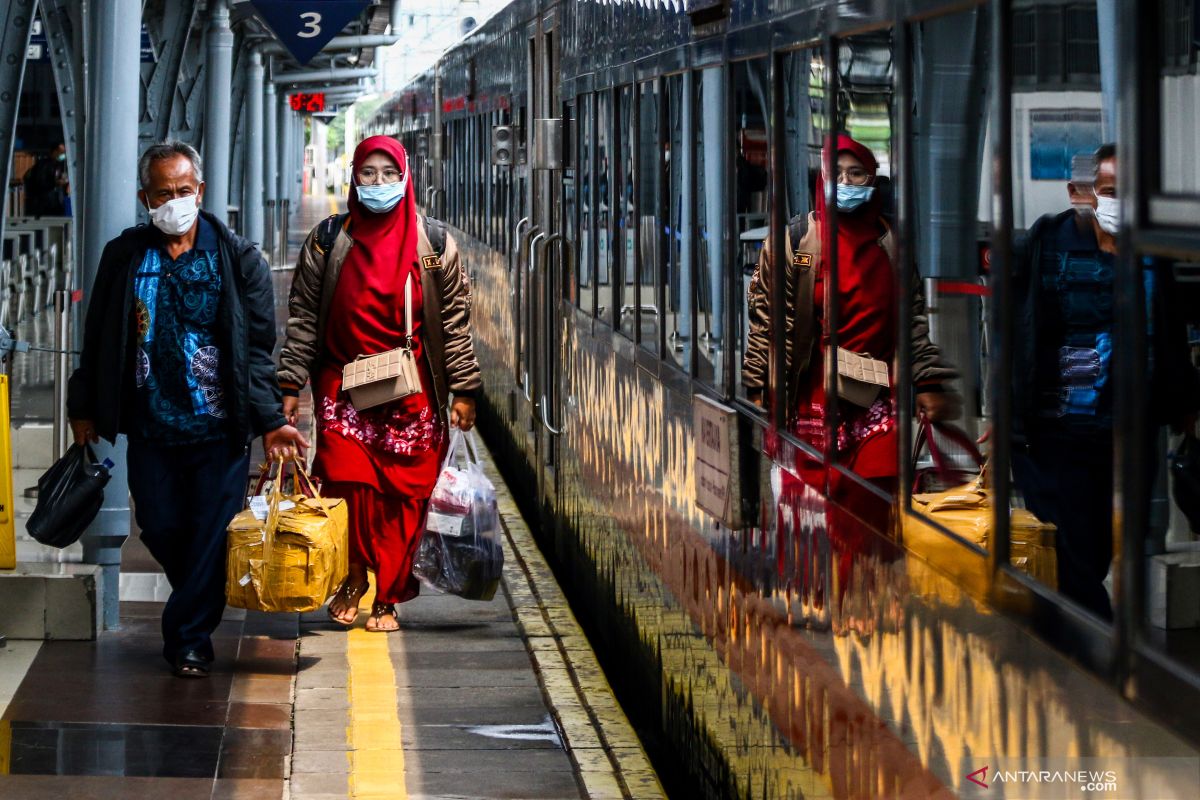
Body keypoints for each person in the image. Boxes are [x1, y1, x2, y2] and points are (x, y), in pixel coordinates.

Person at [67, 140, 307, 678]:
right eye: (161, 194)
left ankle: (189, 639)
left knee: (211, 532)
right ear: (144, 197)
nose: (172, 201)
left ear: (199, 191)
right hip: (151, 423)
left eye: (182, 191)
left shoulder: (237, 257)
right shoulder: (126, 256)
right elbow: (99, 338)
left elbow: (255, 352)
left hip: (219, 429)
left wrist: (270, 421)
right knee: (160, 527)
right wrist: (83, 406)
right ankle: (202, 595)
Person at [743, 135, 959, 612]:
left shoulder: (891, 243)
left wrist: (927, 381)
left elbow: (911, 319)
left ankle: (859, 600)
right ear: (821, 178)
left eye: (856, 174)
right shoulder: (797, 240)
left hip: (875, 393)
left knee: (873, 495)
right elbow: (766, 317)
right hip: (810, 395)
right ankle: (820, 598)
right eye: (836, 174)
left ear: (873, 180)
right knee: (812, 504)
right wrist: (759, 386)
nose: (846, 184)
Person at [278, 135, 481, 633]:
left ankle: (388, 593)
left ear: (406, 176)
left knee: (406, 495)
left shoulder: (432, 243)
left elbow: (453, 320)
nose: (378, 184)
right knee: (345, 484)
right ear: (353, 178)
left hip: (411, 390)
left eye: (388, 174)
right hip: (343, 387)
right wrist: (289, 382)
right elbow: (304, 315)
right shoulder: (329, 238)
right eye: (367, 174)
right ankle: (351, 576)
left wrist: (465, 389)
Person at [1011, 143, 1200, 619]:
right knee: (1072, 558)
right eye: (1110, 190)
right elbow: (1020, 330)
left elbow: (1171, 333)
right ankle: (1093, 662)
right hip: (1057, 433)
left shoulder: (1154, 252)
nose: (1120, 202)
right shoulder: (1046, 244)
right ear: (1083, 193)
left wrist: (1184, 405)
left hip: (1128, 435)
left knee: (1100, 549)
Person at [23, 142, 68, 217]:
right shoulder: (43, 165)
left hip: (56, 204)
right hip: (43, 205)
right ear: (54, 152)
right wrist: (56, 183)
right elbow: (39, 183)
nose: (63, 155)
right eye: (62, 152)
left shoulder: (58, 165)